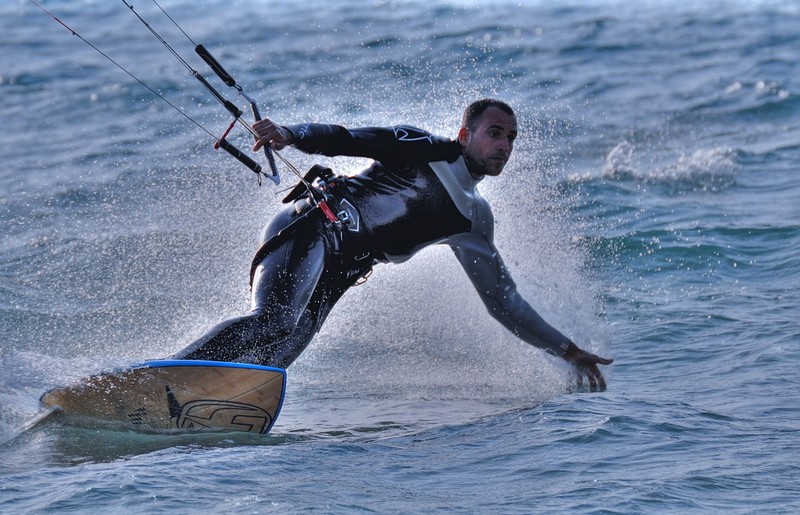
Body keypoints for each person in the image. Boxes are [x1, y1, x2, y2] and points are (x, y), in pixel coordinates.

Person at [173, 99, 613, 390]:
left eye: (511, 138)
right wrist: (291, 134)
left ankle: (203, 405)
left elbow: (505, 302)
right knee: (273, 322)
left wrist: (567, 350)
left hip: (338, 273)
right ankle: (167, 374)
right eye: (495, 133)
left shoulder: (473, 220)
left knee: (277, 361)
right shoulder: (424, 148)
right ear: (465, 135)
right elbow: (351, 138)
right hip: (311, 227)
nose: (504, 146)